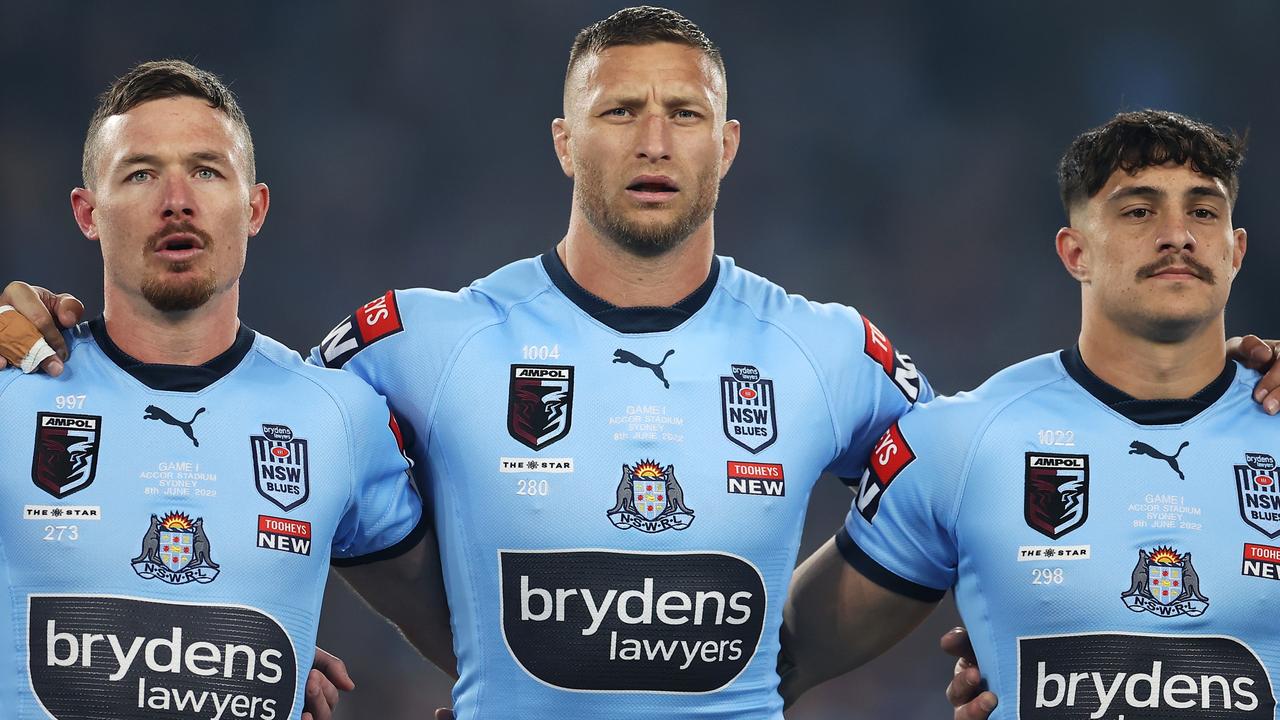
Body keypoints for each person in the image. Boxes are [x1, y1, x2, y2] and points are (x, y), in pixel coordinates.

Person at [781, 110, 1280, 719]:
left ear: (1236, 251)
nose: (1178, 234)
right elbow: (763, 666)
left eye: (1204, 211)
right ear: (1076, 253)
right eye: (1139, 211)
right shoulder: (960, 443)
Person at [0, 59, 425, 719]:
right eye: (141, 173)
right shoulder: (13, 392)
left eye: (206, 170)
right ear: (88, 213)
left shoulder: (339, 415)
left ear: (254, 208)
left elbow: (472, 640)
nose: (177, 200)